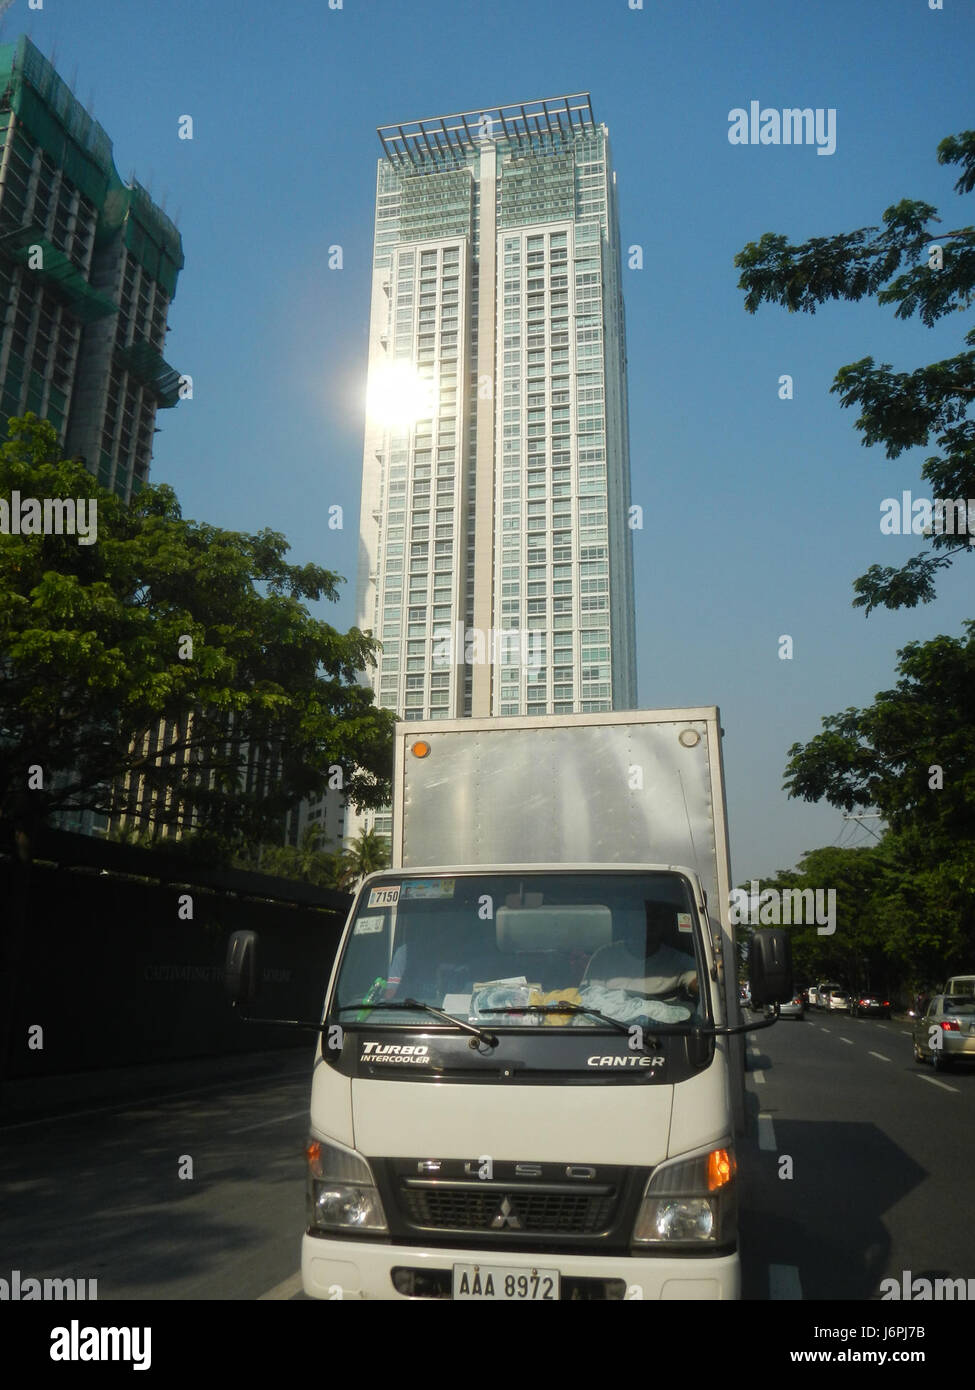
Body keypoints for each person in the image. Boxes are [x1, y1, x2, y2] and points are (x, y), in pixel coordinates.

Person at [583, 901, 698, 997]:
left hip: (663, 1023)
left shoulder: (677, 960)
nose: (649, 923)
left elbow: (698, 982)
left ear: (662, 925)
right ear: (629, 922)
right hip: (611, 1022)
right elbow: (588, 997)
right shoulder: (604, 956)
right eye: (642, 917)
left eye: (655, 918)